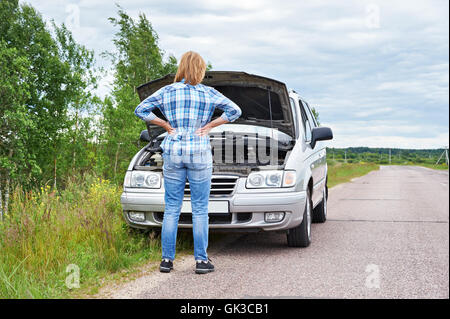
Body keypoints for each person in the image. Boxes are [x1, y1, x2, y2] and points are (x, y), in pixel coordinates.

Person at [134, 51, 241, 274]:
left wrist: (164, 124)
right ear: (200, 70)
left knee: (172, 207)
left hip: (173, 151)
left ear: (181, 68)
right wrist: (211, 125)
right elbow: (235, 110)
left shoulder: (168, 91)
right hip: (199, 152)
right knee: (200, 209)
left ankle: (166, 261)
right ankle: (202, 261)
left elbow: (140, 109)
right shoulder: (208, 93)